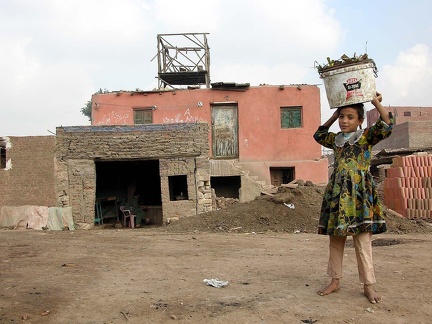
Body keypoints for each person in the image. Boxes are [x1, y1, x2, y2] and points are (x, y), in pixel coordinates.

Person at [313, 92, 393, 304]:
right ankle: (335, 280)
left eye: (349, 117)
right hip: (338, 196)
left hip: (359, 196)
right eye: (342, 117)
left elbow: (387, 124)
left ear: (360, 121)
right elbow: (319, 135)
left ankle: (368, 285)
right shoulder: (335, 140)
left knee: (362, 241)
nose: (344, 121)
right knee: (336, 240)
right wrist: (333, 114)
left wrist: (375, 101)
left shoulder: (366, 136)